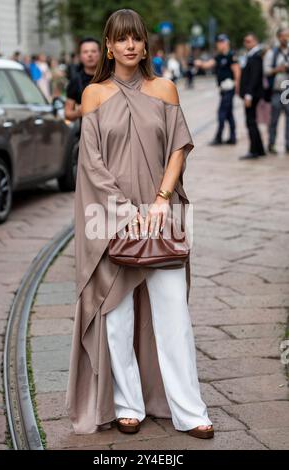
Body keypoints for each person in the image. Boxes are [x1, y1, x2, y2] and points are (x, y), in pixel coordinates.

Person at [65, 8, 214, 439]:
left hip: (162, 215)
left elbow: (178, 149)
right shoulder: (94, 96)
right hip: (110, 220)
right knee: (117, 316)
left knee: (173, 315)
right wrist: (124, 213)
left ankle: (189, 410)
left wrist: (162, 200)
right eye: (120, 38)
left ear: (145, 45)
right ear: (108, 48)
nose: (129, 45)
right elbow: (90, 163)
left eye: (136, 38)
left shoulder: (164, 89)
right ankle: (128, 404)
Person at [194, 34, 240, 145]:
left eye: (220, 43)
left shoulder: (231, 56)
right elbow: (208, 65)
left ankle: (219, 137)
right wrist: (200, 63)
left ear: (225, 43)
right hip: (223, 89)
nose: (218, 45)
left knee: (221, 113)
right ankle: (232, 137)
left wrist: (237, 87)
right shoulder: (218, 56)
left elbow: (237, 71)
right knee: (229, 114)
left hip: (229, 88)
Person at [239, 33, 266, 159]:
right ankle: (260, 149)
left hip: (252, 95)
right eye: (245, 41)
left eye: (249, 41)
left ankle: (254, 150)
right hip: (251, 94)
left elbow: (254, 78)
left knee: (250, 122)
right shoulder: (251, 55)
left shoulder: (256, 56)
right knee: (252, 121)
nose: (246, 43)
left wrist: (248, 95)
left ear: (255, 41)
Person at [263, 28, 289, 155]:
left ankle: (288, 144)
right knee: (274, 119)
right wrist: (278, 69)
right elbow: (266, 70)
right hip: (277, 91)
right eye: (284, 36)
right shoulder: (271, 53)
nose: (286, 38)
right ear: (279, 37)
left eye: (288, 36)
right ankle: (271, 143)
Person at [65, 37, 101, 122]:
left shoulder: (111, 77)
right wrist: (79, 112)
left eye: (93, 51)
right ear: (80, 56)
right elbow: (67, 114)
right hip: (87, 132)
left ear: (100, 54)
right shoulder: (75, 81)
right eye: (85, 52)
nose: (90, 55)